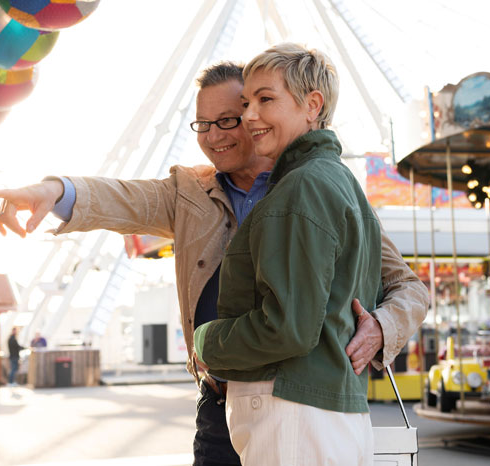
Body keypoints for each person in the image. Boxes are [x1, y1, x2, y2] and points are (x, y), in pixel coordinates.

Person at [0, 62, 428, 466]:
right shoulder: (190, 192)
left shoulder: (314, 190)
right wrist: (54, 191)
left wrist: (382, 327)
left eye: (230, 119)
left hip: (296, 401)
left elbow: (407, 286)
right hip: (221, 405)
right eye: (203, 124)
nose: (214, 135)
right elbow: (125, 198)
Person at [193, 43, 383, 465]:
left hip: (292, 415)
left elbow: (289, 329)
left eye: (265, 99)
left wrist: (207, 342)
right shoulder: (341, 183)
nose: (249, 116)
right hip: (328, 410)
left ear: (312, 105)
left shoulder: (301, 188)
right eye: (246, 103)